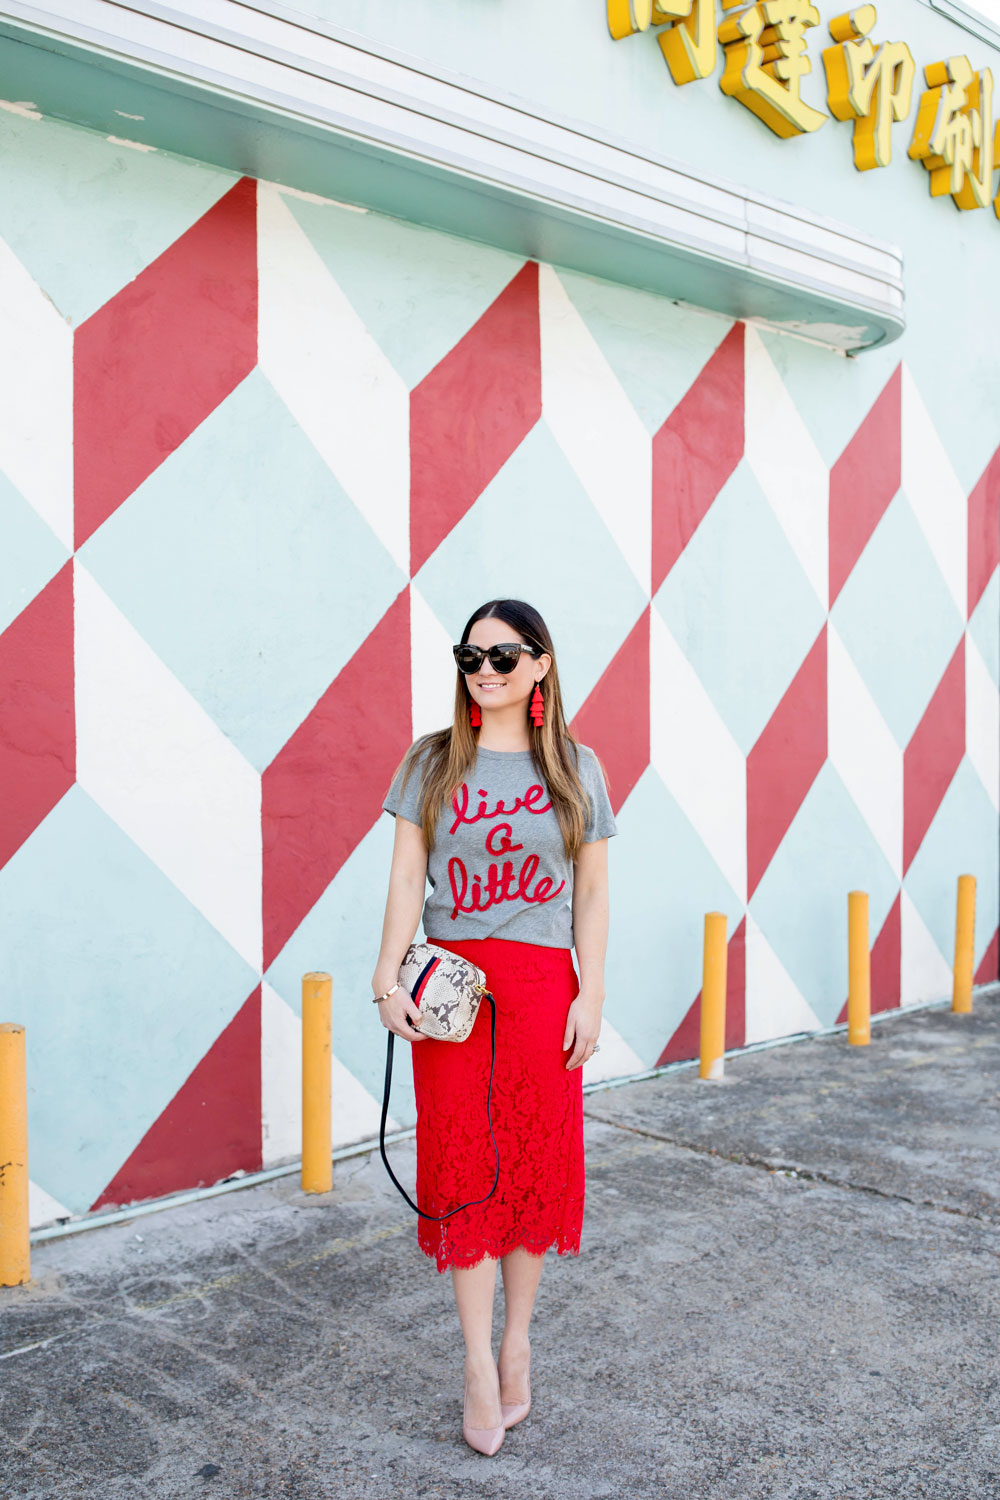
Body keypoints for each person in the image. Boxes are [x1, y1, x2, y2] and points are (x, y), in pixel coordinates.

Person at [371, 598, 617, 1456]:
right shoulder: (433, 762)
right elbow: (408, 881)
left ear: (541, 665)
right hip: (454, 994)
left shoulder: (577, 769)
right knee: (465, 1167)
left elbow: (590, 893)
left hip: (545, 988)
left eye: (503, 657)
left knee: (533, 1169)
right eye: (470, 657)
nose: (483, 671)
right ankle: (477, 1360)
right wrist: (383, 974)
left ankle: (520, 1342)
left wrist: (590, 995)